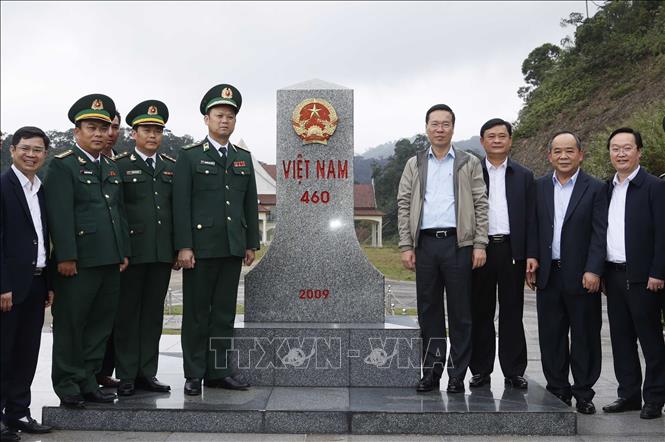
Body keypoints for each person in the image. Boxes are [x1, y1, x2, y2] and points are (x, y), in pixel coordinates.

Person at [173, 84, 260, 396]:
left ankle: (218, 371)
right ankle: (194, 373)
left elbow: (249, 203)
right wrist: (183, 245)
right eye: (219, 115)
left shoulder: (242, 158)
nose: (225, 121)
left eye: (230, 116)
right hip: (200, 248)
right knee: (197, 313)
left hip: (231, 246)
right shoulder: (190, 157)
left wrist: (250, 241)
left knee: (224, 312)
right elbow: (180, 205)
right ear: (206, 119)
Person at [44, 94, 130, 408]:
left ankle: (89, 379)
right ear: (77, 131)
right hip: (77, 262)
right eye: (91, 127)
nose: (98, 133)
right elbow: (59, 214)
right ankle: (67, 383)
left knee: (99, 324)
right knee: (71, 324)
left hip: (109, 259)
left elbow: (117, 212)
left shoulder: (109, 164)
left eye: (103, 127)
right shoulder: (64, 165)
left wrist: (123, 251)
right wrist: (66, 255)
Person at [397, 103, 489, 394]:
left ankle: (457, 374)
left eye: (445, 124)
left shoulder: (468, 162)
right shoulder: (415, 163)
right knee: (429, 312)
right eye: (434, 124)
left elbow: (480, 204)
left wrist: (479, 244)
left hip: (458, 245)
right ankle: (431, 371)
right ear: (426, 128)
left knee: (461, 312)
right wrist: (406, 245)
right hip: (425, 245)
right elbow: (403, 204)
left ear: (453, 127)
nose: (440, 129)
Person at [529, 131, 607, 415]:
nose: (563, 156)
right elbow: (533, 227)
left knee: (585, 335)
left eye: (569, 151)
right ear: (549, 156)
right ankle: (557, 390)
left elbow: (601, 233)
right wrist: (532, 258)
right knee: (551, 335)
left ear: (580, 154)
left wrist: (594, 269)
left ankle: (584, 393)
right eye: (558, 151)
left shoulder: (596, 188)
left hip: (583, 276)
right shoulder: (538, 187)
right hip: (549, 274)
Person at [113, 100, 177, 396]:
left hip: (161, 252)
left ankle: (146, 373)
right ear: (134, 133)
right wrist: (121, 249)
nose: (152, 135)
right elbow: (116, 210)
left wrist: (177, 248)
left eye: (157, 130)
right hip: (132, 253)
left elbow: (175, 209)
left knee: (153, 315)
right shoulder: (120, 165)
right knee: (127, 314)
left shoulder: (170, 167)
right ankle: (126, 374)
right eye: (147, 130)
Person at [601, 127, 665, 419]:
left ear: (639, 151)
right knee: (621, 338)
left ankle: (654, 397)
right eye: (616, 148)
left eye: (627, 148)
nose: (621, 153)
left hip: (644, 278)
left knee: (650, 339)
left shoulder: (654, 186)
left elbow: (663, 233)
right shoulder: (606, 188)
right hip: (613, 276)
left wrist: (658, 271)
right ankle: (628, 395)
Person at [469, 118, 536, 390]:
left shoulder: (524, 175)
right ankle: (481, 370)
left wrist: (531, 253)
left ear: (510, 140)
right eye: (491, 136)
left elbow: (532, 218)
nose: (497, 140)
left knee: (512, 311)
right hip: (479, 250)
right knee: (480, 311)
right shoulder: (470, 172)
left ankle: (513, 370)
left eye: (502, 136)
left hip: (511, 250)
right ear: (482, 141)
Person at [1, 127, 54, 439]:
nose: (32, 155)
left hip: (35, 283)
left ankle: (19, 412)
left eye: (38, 150)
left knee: (26, 353)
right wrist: (2, 284)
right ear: (12, 149)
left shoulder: (40, 187)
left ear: (44, 153)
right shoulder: (4, 185)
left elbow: (43, 238)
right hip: (8, 287)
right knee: (3, 353)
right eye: (26, 148)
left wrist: (48, 283)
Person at [97, 109, 122, 389]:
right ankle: (87, 374)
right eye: (104, 127)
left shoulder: (120, 163)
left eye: (114, 127)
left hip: (123, 255)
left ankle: (105, 370)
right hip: (94, 256)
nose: (110, 133)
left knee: (116, 318)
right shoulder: (72, 164)